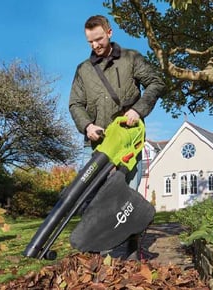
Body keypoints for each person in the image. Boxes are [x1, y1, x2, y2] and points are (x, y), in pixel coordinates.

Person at [68, 15, 166, 260]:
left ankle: (132, 250)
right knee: (94, 198)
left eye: (99, 39)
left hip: (127, 140)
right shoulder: (83, 70)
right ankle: (97, 252)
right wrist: (87, 125)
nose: (95, 45)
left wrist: (138, 109)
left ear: (109, 32)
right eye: (90, 42)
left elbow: (155, 82)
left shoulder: (131, 58)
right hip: (98, 145)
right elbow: (75, 104)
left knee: (127, 196)